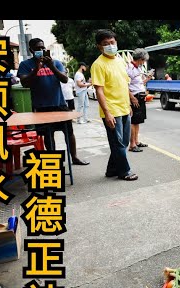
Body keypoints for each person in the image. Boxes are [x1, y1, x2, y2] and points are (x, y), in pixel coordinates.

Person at [17, 38, 89, 166]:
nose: (41, 50)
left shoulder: (55, 62)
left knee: (69, 132)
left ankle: (74, 157)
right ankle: (53, 161)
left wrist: (51, 66)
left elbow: (65, 79)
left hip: (59, 104)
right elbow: (24, 82)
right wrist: (36, 69)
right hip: (41, 107)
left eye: (42, 48)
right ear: (31, 50)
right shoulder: (26, 65)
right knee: (48, 136)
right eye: (38, 48)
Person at [90, 29, 138, 181]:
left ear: (116, 42)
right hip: (111, 110)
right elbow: (99, 90)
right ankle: (124, 171)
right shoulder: (98, 65)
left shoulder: (119, 60)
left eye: (112, 42)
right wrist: (107, 112)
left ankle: (111, 170)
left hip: (124, 107)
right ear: (99, 46)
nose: (110, 45)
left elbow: (123, 84)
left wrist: (129, 103)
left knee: (122, 142)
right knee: (117, 143)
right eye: (106, 44)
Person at [127, 48, 153, 152]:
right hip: (135, 97)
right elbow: (125, 85)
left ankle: (136, 141)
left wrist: (147, 79)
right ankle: (132, 144)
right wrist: (132, 98)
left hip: (140, 97)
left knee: (137, 121)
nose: (144, 62)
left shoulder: (137, 68)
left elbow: (138, 83)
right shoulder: (130, 69)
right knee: (133, 121)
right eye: (144, 60)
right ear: (140, 59)